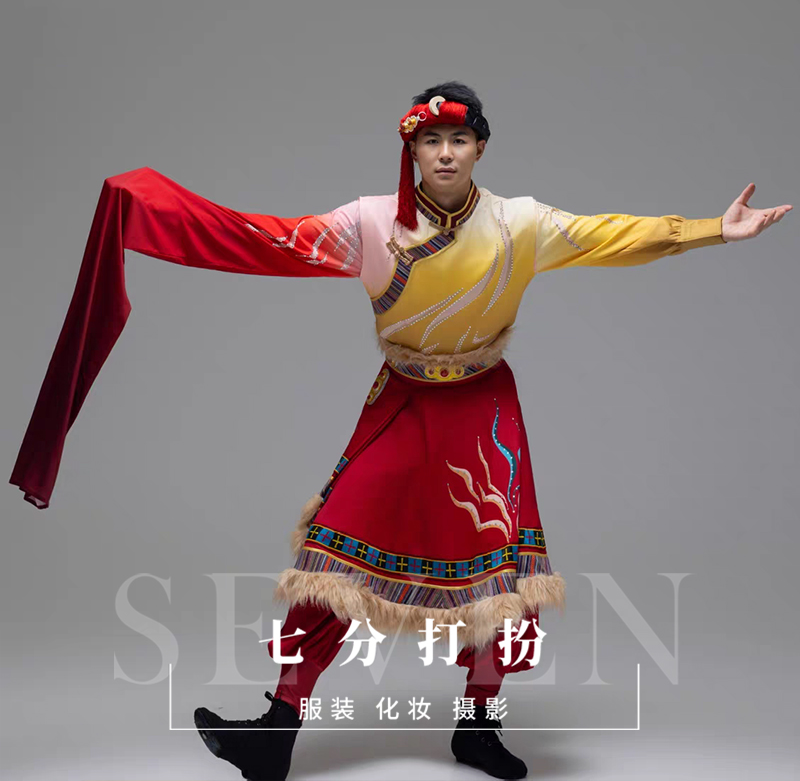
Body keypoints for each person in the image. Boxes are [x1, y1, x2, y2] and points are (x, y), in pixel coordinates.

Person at [9, 81, 791, 781]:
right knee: (330, 562)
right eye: (431, 139)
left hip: (484, 411)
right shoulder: (370, 222)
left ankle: (478, 727)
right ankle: (277, 730)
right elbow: (261, 238)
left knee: (500, 583)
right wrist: (151, 207)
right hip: (403, 402)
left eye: (459, 139)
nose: (445, 152)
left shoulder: (522, 224)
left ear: (480, 148)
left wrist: (712, 230)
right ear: (412, 149)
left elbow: (612, 235)